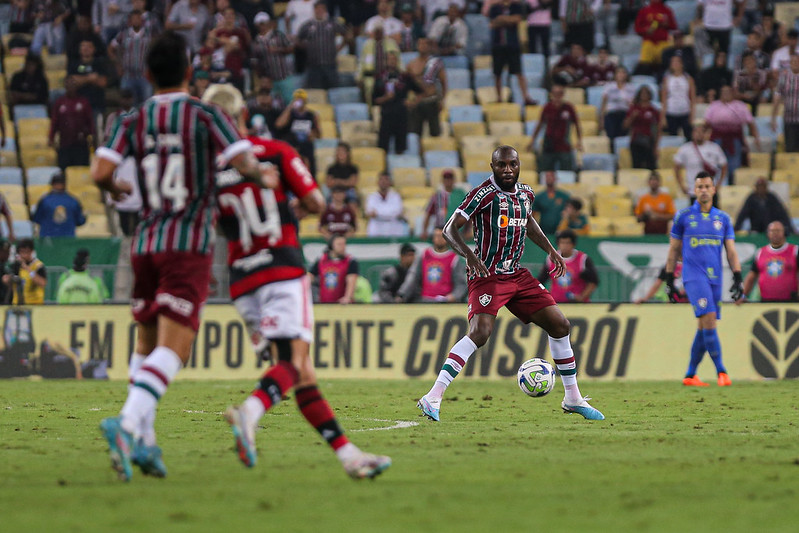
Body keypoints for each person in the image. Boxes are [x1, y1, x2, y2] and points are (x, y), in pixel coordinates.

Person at [93, 31, 274, 482]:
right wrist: (264, 176)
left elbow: (100, 171)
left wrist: (119, 188)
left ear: (147, 73)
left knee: (146, 345)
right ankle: (128, 425)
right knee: (177, 348)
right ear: (190, 72)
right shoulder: (204, 114)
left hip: (145, 243)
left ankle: (148, 446)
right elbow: (244, 162)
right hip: (187, 243)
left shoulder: (130, 118)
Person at [208, 91, 390, 479]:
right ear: (243, 113)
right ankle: (250, 413)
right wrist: (287, 211)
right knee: (292, 362)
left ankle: (350, 456)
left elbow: (212, 223)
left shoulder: (209, 168)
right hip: (281, 270)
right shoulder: (274, 151)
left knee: (301, 371)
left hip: (241, 280)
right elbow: (316, 202)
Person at [416, 145, 605, 422]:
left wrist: (551, 250)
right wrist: (469, 255)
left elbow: (527, 221)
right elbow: (449, 228)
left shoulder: (526, 193)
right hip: (487, 275)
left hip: (516, 274)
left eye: (512, 164)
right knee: (480, 333)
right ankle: (433, 396)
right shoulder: (484, 194)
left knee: (560, 325)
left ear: (519, 166)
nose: (507, 170)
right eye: (501, 165)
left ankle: (573, 398)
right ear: (492, 167)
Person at [665, 170, 743, 387]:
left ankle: (690, 375)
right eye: (699, 187)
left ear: (714, 189)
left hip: (715, 278)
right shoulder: (683, 217)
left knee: (704, 324)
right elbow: (673, 251)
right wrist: (670, 279)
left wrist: (738, 277)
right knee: (708, 319)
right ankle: (722, 372)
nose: (704, 191)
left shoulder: (723, 218)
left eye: (707, 186)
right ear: (694, 190)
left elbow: (731, 251)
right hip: (693, 276)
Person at [704, 85, 760, 182]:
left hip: (734, 139)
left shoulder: (740, 105)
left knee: (733, 163)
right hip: (717, 138)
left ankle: (732, 182)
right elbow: (707, 124)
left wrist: (756, 137)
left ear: (732, 93)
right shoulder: (714, 105)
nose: (726, 94)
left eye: (728, 92)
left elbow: (750, 123)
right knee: (716, 162)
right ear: (720, 94)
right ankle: (717, 182)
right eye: (723, 92)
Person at [398, 226, 466, 303]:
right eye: (437, 236)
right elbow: (413, 276)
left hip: (445, 302)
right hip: (425, 300)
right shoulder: (424, 255)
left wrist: (454, 296)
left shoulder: (454, 258)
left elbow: (460, 283)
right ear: (433, 238)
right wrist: (402, 294)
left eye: (442, 236)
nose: (439, 239)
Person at [373, 52, 422, 154]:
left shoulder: (404, 77)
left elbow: (420, 92)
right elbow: (375, 100)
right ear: (385, 61)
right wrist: (385, 98)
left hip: (402, 116)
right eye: (389, 59)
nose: (392, 62)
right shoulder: (379, 78)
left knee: (400, 148)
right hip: (386, 116)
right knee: (383, 148)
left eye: (394, 59)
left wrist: (412, 102)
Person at [739, 221, 799, 303]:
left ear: (784, 232)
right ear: (768, 233)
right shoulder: (760, 252)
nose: (775, 233)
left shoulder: (794, 251)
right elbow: (751, 277)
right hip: (766, 303)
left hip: (790, 302)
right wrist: (743, 295)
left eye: (778, 231)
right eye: (772, 231)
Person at [489, 0, 536, 105]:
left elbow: (517, 19)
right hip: (498, 45)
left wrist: (501, 19)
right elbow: (493, 24)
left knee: (519, 72)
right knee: (497, 73)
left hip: (513, 45)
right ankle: (499, 97)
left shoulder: (516, 6)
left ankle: (526, 97)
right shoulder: (494, 8)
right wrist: (508, 20)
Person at [296, 1, 350, 90]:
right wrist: (307, 48)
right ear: (314, 10)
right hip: (313, 66)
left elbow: (347, 34)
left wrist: (340, 47)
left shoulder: (332, 23)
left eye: (322, 9)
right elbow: (298, 40)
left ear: (325, 10)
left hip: (330, 64)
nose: (319, 11)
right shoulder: (307, 25)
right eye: (317, 8)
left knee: (333, 91)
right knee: (316, 91)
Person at [529, 84, 582, 171]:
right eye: (555, 94)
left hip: (564, 145)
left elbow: (577, 125)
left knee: (567, 172)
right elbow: (540, 124)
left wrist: (579, 141)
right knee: (545, 171)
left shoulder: (568, 108)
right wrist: (532, 140)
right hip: (549, 145)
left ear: (563, 95)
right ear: (551, 95)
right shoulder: (547, 108)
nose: (557, 96)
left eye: (560, 94)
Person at [108, 10, 155, 105]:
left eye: (138, 19)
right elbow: (110, 48)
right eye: (134, 19)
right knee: (127, 106)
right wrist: (117, 64)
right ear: (130, 21)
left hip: (144, 76)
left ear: (142, 21)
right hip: (128, 76)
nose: (136, 21)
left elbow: (157, 51)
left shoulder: (149, 35)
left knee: (147, 105)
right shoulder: (123, 35)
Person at [538, 229, 598, 302]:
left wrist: (582, 297)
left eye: (567, 243)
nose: (565, 246)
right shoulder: (551, 259)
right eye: (562, 243)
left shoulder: (583, 259)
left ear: (573, 244)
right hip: (556, 304)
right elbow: (541, 281)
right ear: (558, 244)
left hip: (578, 304)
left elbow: (593, 282)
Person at [49, 76, 95, 171]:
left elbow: (90, 121)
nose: (71, 87)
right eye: (68, 84)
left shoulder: (83, 102)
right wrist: (51, 137)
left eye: (73, 85)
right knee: (65, 170)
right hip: (64, 144)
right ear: (65, 86)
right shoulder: (60, 102)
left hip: (81, 145)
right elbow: (54, 122)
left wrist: (92, 136)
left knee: (81, 169)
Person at [250, 12, 295, 106]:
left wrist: (279, 49)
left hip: (284, 76)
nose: (263, 26)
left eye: (265, 23)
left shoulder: (278, 35)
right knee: (273, 104)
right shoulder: (256, 41)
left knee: (290, 101)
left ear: (269, 23)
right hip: (269, 80)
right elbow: (254, 62)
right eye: (260, 24)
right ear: (257, 25)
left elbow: (291, 48)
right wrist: (261, 77)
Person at [406, 37, 447, 139]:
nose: (422, 47)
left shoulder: (435, 63)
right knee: (415, 133)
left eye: (425, 44)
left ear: (429, 47)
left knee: (435, 133)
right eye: (420, 44)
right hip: (417, 102)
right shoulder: (411, 64)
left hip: (431, 101)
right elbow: (406, 85)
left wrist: (442, 100)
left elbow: (443, 82)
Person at [673, 123, 727, 198]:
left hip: (711, 190)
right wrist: (681, 185)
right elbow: (676, 167)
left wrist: (719, 184)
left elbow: (724, 165)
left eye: (702, 132)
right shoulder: (685, 149)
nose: (699, 134)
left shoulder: (714, 148)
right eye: (696, 132)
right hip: (693, 190)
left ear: (705, 134)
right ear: (692, 134)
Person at [275, 89, 319, 178]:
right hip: (293, 146)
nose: (299, 101)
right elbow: (278, 125)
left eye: (301, 99)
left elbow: (318, 134)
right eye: (297, 99)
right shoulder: (289, 114)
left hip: (306, 148)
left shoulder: (311, 115)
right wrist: (290, 107)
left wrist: (312, 134)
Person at [32, 172, 87, 237]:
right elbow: (80, 221)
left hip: (48, 240)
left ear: (52, 184)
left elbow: (37, 219)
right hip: (67, 239)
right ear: (65, 184)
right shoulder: (73, 200)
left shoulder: (44, 200)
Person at [308, 234, 359, 304]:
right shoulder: (321, 260)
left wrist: (348, 297)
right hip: (324, 302)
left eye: (344, 244)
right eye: (339, 244)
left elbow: (351, 281)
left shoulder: (350, 261)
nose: (343, 247)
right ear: (331, 246)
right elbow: (310, 276)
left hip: (342, 303)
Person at [633, 0, 677, 74]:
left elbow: (674, 27)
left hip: (663, 42)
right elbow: (637, 29)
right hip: (649, 42)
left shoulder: (667, 10)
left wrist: (667, 24)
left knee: (664, 62)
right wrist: (645, 30)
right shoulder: (644, 11)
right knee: (644, 63)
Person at [68, 39, 109, 117]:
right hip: (78, 104)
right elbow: (71, 82)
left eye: (89, 46)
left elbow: (103, 82)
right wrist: (89, 78)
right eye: (83, 46)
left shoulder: (99, 63)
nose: (86, 48)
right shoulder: (74, 64)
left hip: (96, 105)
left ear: (94, 49)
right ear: (80, 50)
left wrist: (80, 80)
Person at [624, 84, 661, 170]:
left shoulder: (653, 110)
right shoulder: (634, 108)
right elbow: (625, 125)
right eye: (642, 94)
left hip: (649, 140)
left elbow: (658, 128)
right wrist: (632, 116)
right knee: (637, 166)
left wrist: (656, 145)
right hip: (636, 140)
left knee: (651, 166)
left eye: (646, 94)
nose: (644, 96)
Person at [661, 55, 695, 140]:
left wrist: (692, 115)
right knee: (672, 138)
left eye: (678, 61)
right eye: (673, 62)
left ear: (682, 64)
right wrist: (663, 116)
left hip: (685, 111)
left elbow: (692, 98)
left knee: (689, 137)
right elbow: (664, 98)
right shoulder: (667, 79)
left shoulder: (688, 79)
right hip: (671, 112)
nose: (675, 64)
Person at [3, 239, 47, 305]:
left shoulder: (38, 266)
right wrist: (8, 279)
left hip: (35, 304)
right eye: (22, 252)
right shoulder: (16, 265)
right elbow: (8, 282)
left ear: (31, 252)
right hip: (18, 304)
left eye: (26, 252)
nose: (24, 255)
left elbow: (42, 283)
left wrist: (27, 268)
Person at [365, 172, 406, 237]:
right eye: (381, 179)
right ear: (377, 182)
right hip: (376, 228)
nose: (383, 182)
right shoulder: (371, 197)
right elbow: (371, 213)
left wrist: (378, 213)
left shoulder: (396, 196)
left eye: (386, 179)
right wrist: (389, 212)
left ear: (390, 182)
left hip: (393, 228)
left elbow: (397, 212)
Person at [772, 55, 799, 153]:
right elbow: (777, 97)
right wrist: (773, 118)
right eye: (793, 62)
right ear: (790, 64)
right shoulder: (784, 77)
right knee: (790, 148)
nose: (795, 63)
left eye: (797, 61)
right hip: (789, 119)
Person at [600, 66, 635, 141]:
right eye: (619, 72)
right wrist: (602, 119)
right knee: (611, 136)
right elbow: (604, 104)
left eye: (623, 72)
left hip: (624, 114)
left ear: (626, 75)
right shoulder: (609, 87)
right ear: (615, 75)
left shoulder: (631, 88)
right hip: (611, 114)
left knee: (622, 137)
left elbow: (633, 105)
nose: (621, 75)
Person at [421, 168, 456, 239]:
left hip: (456, 230)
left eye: (450, 178)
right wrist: (424, 231)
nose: (448, 180)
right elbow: (428, 214)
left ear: (453, 180)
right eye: (446, 178)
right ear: (443, 180)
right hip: (440, 229)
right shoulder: (437, 196)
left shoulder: (460, 195)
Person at [532, 170, 570, 234]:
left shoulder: (564, 196)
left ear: (555, 178)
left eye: (551, 176)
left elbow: (569, 212)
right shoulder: (539, 196)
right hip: (544, 230)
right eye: (547, 176)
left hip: (560, 231)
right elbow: (533, 214)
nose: (549, 178)